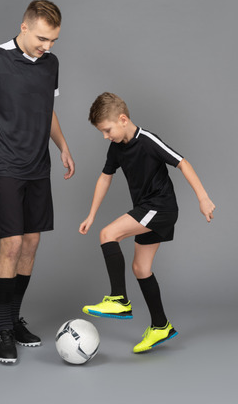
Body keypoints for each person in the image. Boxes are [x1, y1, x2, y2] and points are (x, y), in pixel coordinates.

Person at [0, 0, 75, 364]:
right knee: (10, 245)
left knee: (30, 244)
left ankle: (15, 318)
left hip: (38, 167)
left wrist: (63, 147)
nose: (48, 46)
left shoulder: (51, 64)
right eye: (43, 38)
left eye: (54, 40)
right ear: (24, 27)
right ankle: (4, 329)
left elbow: (48, 109)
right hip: (4, 167)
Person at [79, 92, 215, 353]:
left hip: (160, 208)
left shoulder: (148, 140)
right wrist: (92, 214)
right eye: (102, 133)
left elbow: (182, 163)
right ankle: (160, 326)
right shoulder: (117, 148)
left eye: (107, 130)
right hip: (147, 209)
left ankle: (119, 299)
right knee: (141, 268)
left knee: (108, 234)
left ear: (122, 119)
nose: (106, 137)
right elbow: (105, 177)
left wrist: (203, 198)